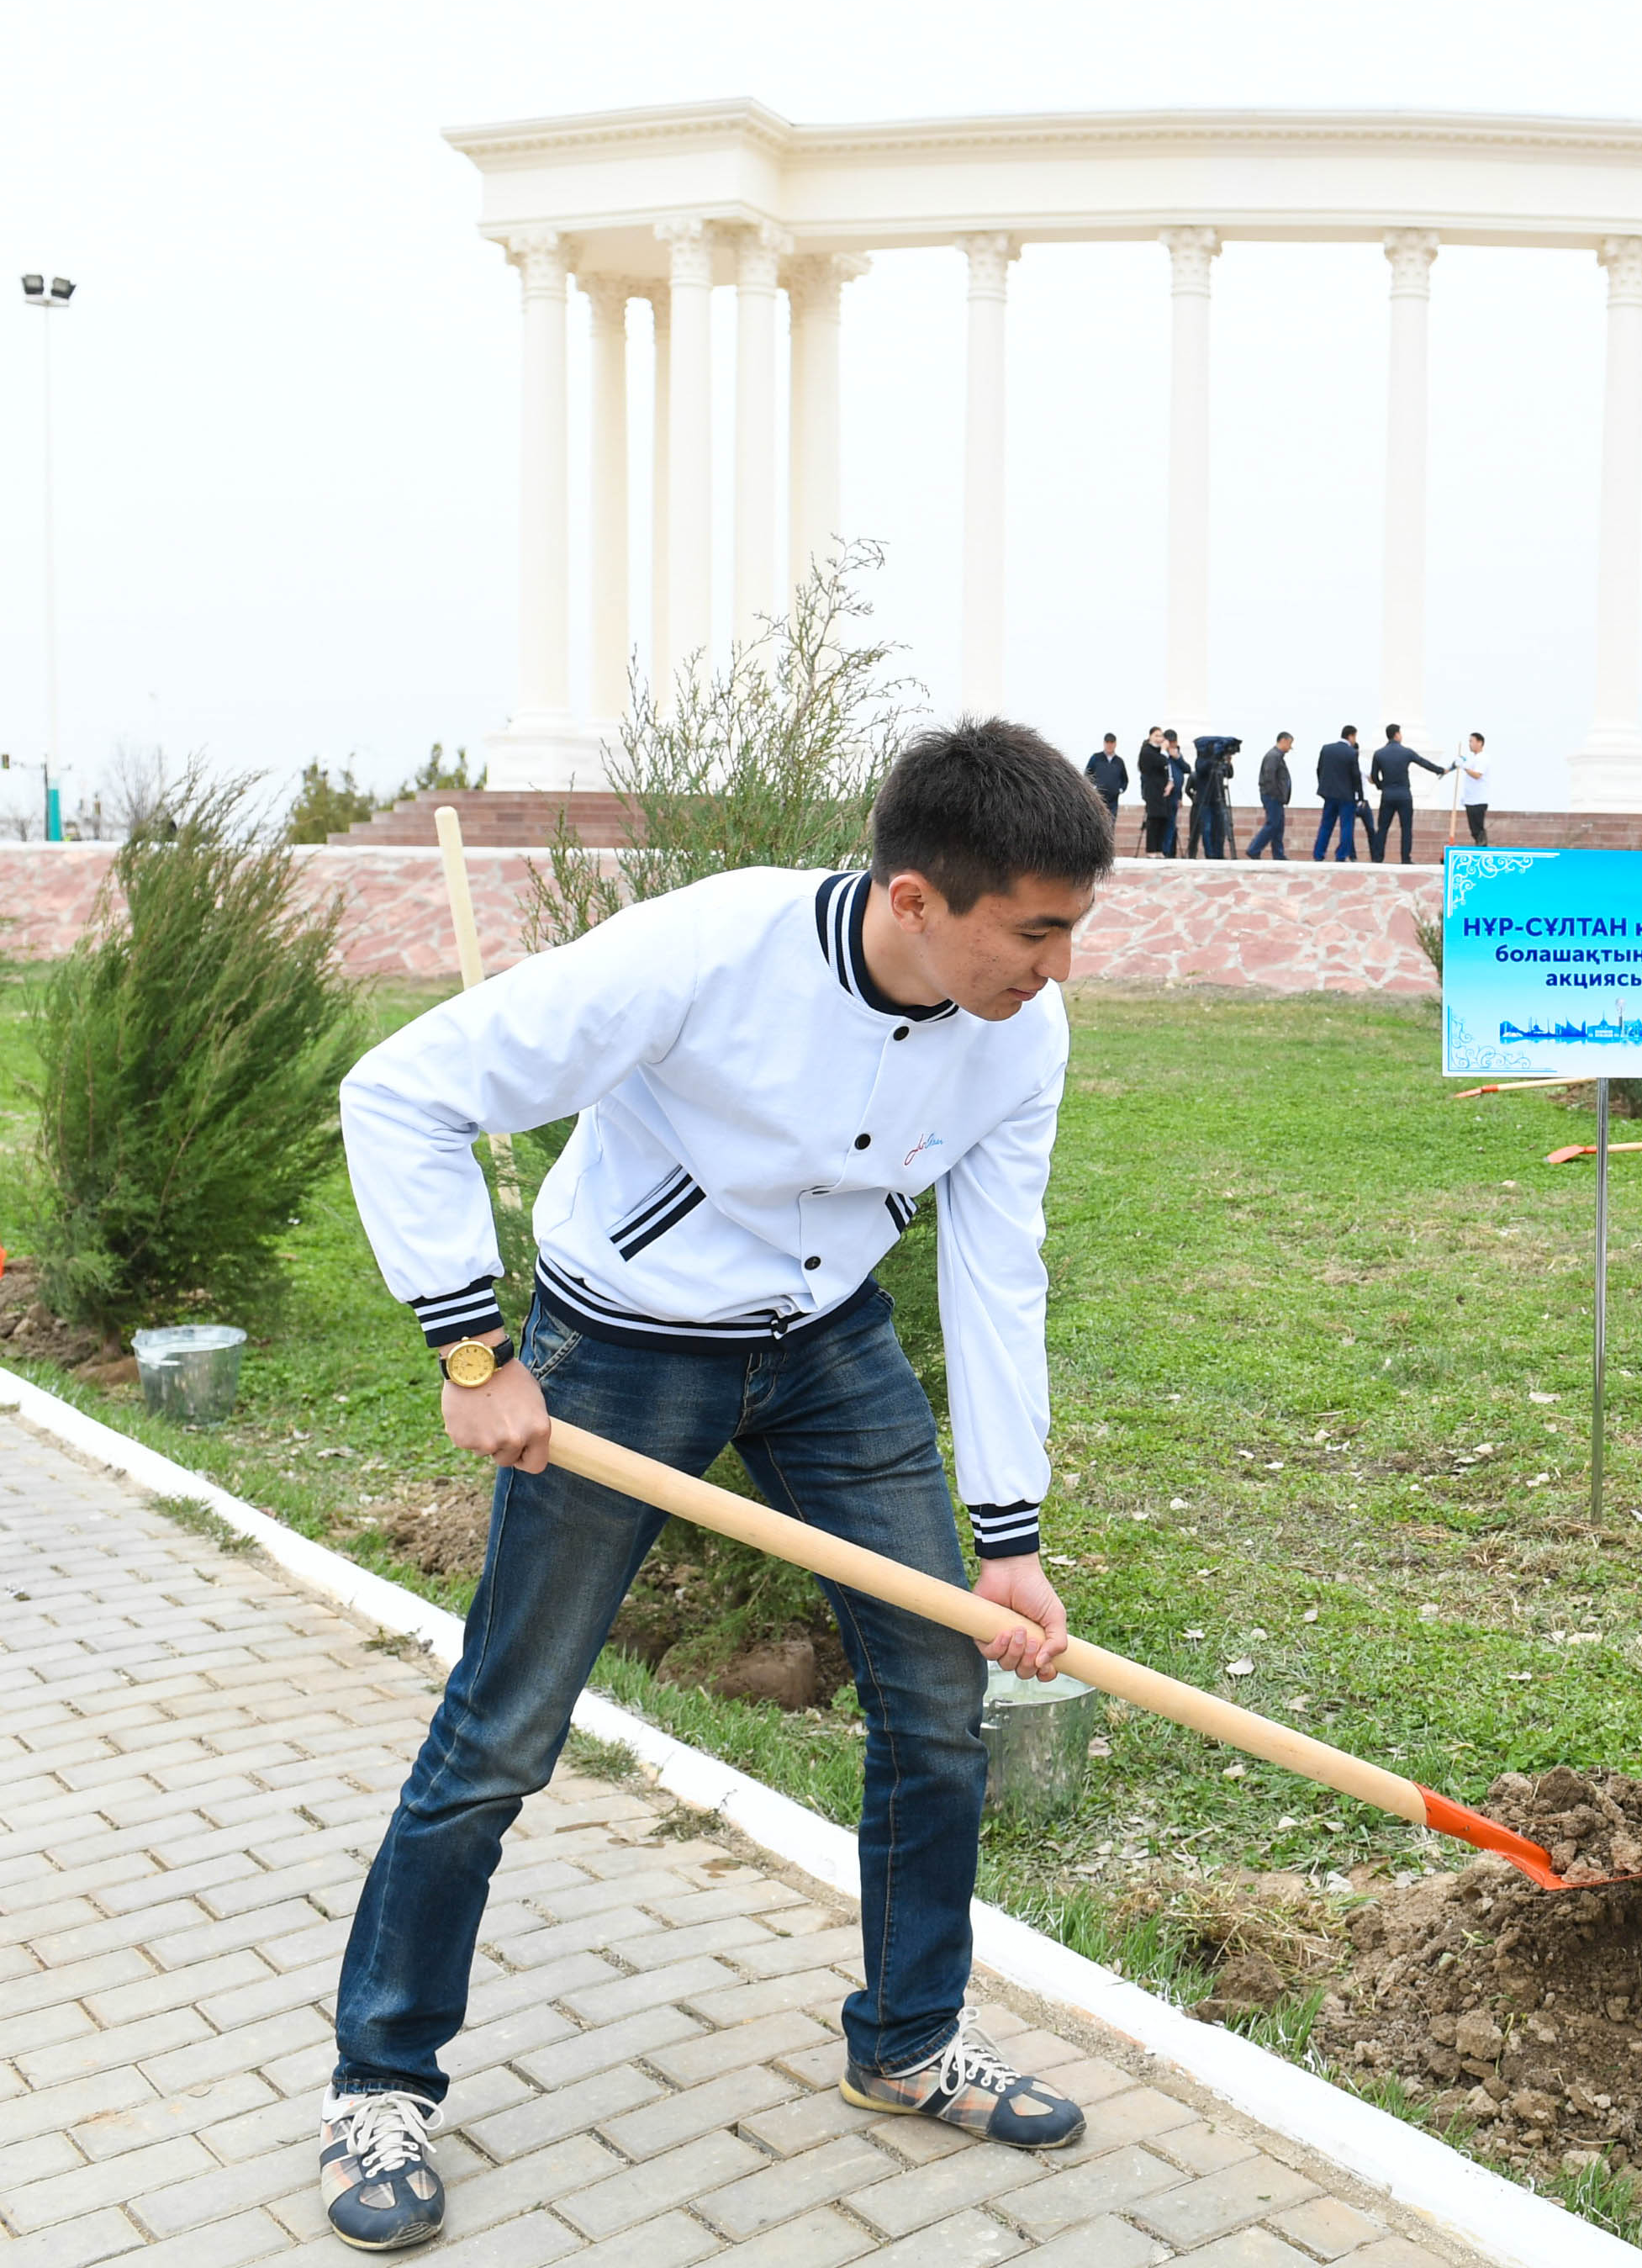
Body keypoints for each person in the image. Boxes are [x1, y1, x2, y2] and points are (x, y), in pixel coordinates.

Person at [319, 721, 1113, 2251]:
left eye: (1072, 926)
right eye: (1035, 928)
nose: (1058, 965)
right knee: (504, 1724)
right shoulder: (705, 950)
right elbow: (400, 1091)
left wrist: (1006, 1536)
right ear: (912, 899)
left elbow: (997, 1266)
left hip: (829, 1348)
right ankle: (381, 2079)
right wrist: (476, 1350)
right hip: (621, 1349)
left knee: (938, 1700)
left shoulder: (1021, 1027)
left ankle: (908, 2038)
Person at [1366, 723, 1450, 864]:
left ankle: (1378, 858)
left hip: (1387, 795)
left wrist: (1382, 787)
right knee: (1406, 828)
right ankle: (1406, 859)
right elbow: (1423, 763)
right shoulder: (1406, 752)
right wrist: (1440, 770)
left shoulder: (1379, 754)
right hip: (1404, 796)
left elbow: (1374, 776)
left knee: (1383, 828)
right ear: (1397, 735)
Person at [1312, 723, 1370, 862]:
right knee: (1347, 826)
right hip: (1347, 796)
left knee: (1326, 825)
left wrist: (1324, 787)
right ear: (1351, 736)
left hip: (1329, 794)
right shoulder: (1351, 753)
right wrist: (1360, 797)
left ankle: (1319, 854)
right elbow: (1356, 776)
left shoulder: (1327, 749)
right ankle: (1341, 855)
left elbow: (1319, 770)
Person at [1189, 736, 1242, 859]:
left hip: (1218, 800)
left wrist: (1228, 761)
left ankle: (1219, 854)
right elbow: (1201, 769)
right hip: (1205, 800)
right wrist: (1213, 758)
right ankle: (1210, 855)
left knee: (1220, 829)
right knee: (1206, 828)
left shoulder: (1219, 763)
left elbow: (1229, 774)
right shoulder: (1202, 761)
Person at [1247, 731, 1296, 859]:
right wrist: (1276, 794)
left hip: (1277, 797)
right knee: (1273, 824)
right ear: (1283, 741)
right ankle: (1254, 849)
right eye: (1290, 744)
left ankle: (1278, 854)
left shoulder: (1277, 756)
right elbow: (1270, 777)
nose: (1290, 748)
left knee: (1278, 826)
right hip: (1272, 797)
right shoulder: (1273, 756)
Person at [1136, 727, 1176, 856]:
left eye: (1161, 736)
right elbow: (1161, 762)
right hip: (1152, 790)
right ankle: (1151, 850)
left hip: (1163, 790)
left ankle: (1159, 849)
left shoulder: (1160, 751)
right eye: (1156, 736)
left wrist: (1170, 783)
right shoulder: (1147, 751)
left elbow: (1167, 768)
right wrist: (1164, 751)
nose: (1159, 739)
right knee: (1153, 820)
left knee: (1162, 820)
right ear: (1150, 736)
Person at [1447, 731, 1491, 846]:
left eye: (1472, 741)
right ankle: (1479, 845)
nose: (1470, 744)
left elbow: (1477, 775)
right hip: (1470, 799)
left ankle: (1482, 848)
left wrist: (1464, 767)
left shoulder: (1483, 758)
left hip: (1479, 799)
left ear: (1480, 742)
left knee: (1478, 829)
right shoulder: (1473, 758)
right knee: (1473, 829)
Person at [1083, 731, 1128, 821]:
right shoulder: (1096, 758)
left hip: (1113, 800)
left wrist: (1120, 790)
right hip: (1098, 798)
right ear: (1104, 743)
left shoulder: (1119, 761)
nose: (1109, 745)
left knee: (1111, 823)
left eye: (1111, 743)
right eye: (1107, 743)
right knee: (1098, 822)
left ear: (1115, 744)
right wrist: (1093, 788)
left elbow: (1125, 779)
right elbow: (1087, 774)